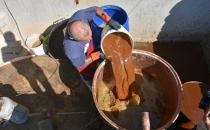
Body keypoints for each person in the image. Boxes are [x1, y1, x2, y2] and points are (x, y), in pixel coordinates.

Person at [63, 6, 121, 82]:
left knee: (93, 42)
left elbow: (96, 9)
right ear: (75, 39)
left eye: (90, 34)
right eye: (87, 38)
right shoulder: (73, 50)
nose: (91, 38)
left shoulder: (81, 15)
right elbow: (80, 65)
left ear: (83, 22)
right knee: (87, 72)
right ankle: (90, 78)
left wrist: (108, 20)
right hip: (82, 58)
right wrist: (95, 56)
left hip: (87, 46)